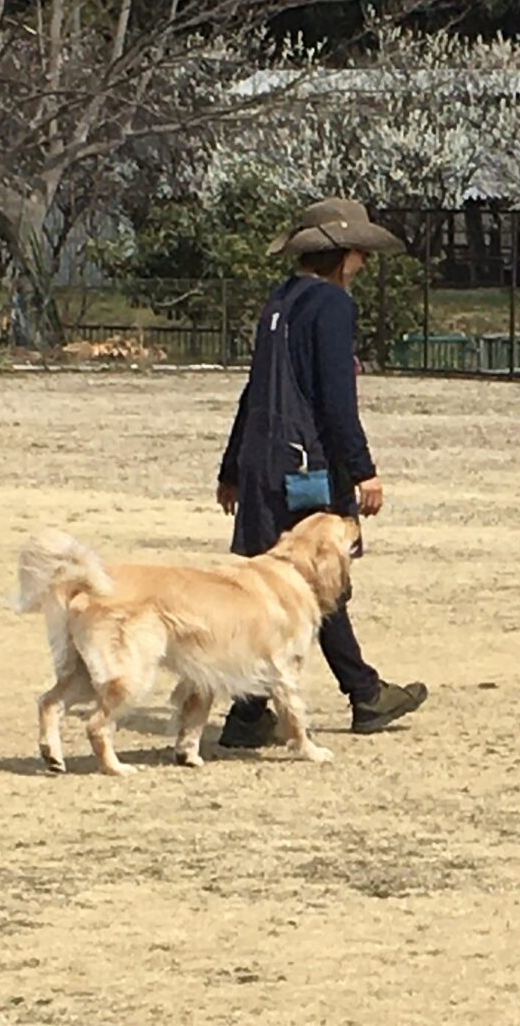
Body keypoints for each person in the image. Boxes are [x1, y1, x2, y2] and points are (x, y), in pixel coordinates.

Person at [213, 198, 427, 748]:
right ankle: (363, 694)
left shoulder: (279, 301)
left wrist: (233, 466)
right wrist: (363, 469)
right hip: (306, 463)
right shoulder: (331, 305)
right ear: (342, 254)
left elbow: (255, 390)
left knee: (272, 582)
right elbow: (336, 399)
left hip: (262, 459)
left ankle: (249, 712)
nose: (363, 262)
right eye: (358, 252)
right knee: (319, 574)